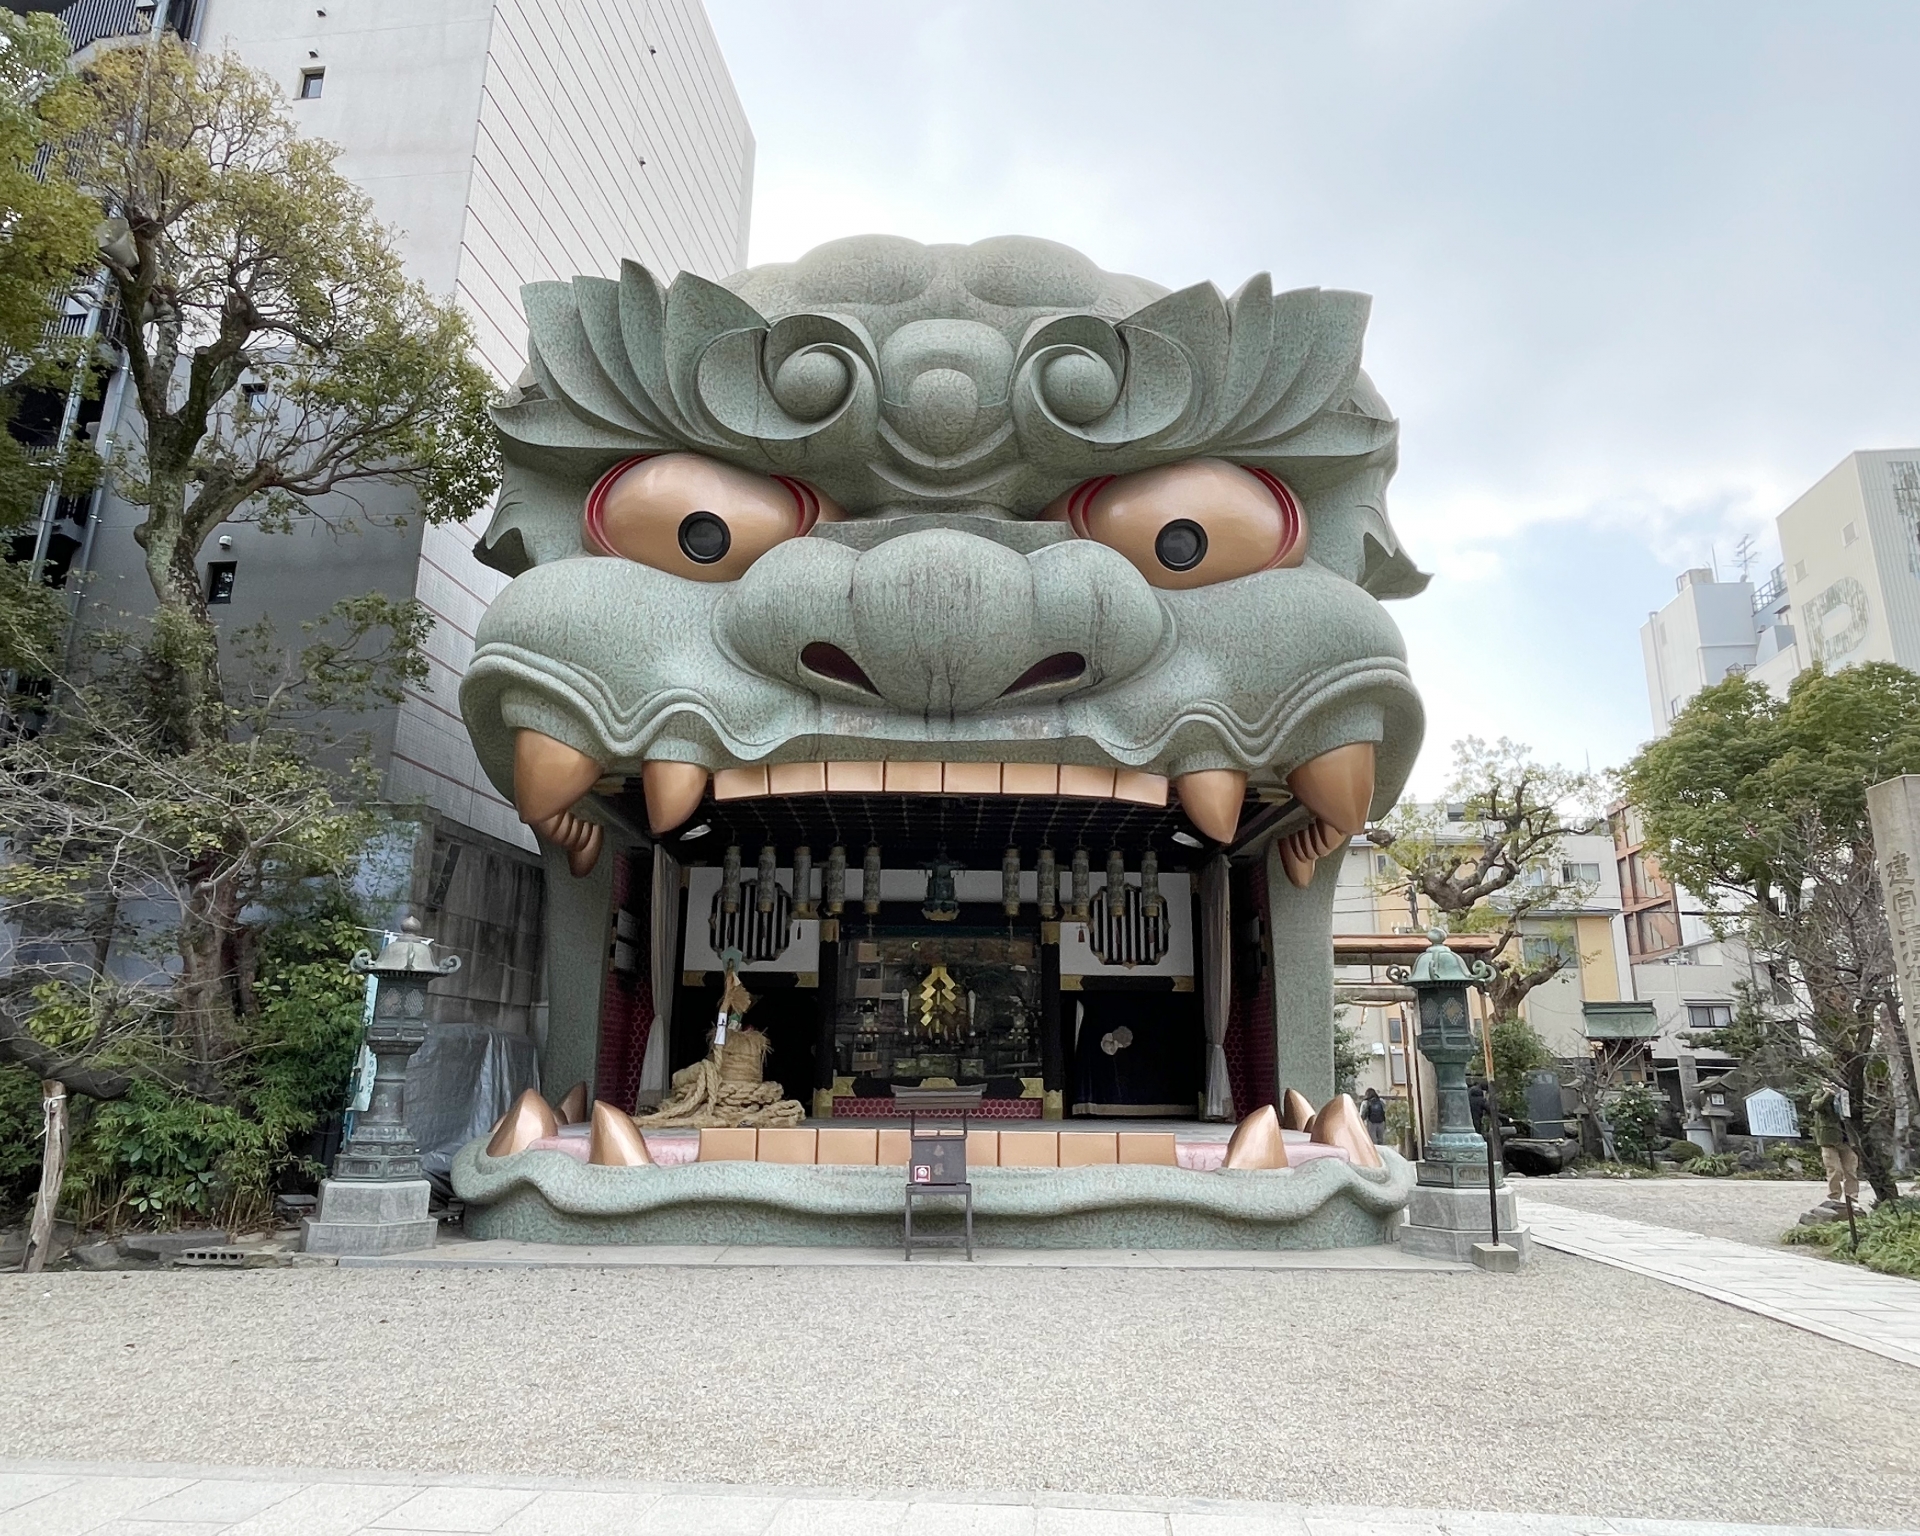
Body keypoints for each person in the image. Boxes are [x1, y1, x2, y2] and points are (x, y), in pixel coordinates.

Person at [1809, 1086, 1860, 1208]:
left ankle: (1852, 1198)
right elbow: (1817, 1106)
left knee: (1851, 1170)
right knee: (1835, 1170)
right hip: (1829, 1139)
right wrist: (1828, 1094)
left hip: (1846, 1138)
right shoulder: (1819, 1094)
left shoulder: (1846, 1094)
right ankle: (1834, 1197)